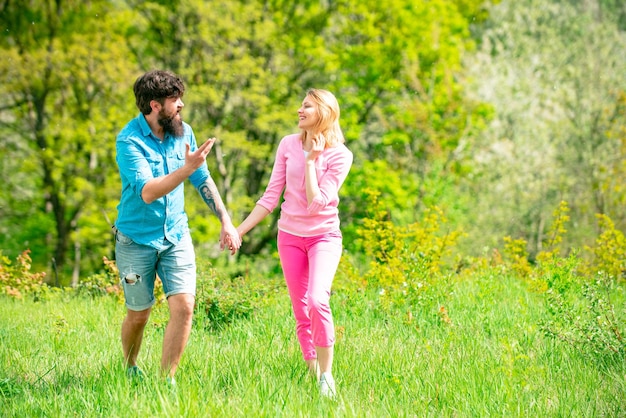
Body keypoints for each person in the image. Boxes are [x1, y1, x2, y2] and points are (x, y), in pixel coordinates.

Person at [113, 69, 241, 386]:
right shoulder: (129, 141)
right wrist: (187, 168)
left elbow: (201, 177)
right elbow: (148, 192)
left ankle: (166, 380)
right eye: (174, 99)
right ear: (155, 105)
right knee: (139, 312)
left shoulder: (183, 133)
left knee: (184, 305)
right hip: (135, 241)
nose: (181, 104)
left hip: (176, 237)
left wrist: (225, 218)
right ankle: (130, 367)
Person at [235, 88, 353, 397]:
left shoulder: (341, 155)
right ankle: (314, 376)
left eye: (307, 107)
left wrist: (312, 161)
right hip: (289, 237)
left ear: (324, 114)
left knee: (317, 300)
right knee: (301, 310)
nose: (300, 111)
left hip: (324, 237)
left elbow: (317, 202)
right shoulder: (287, 144)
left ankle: (327, 376)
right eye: (301, 105)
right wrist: (240, 231)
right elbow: (271, 196)